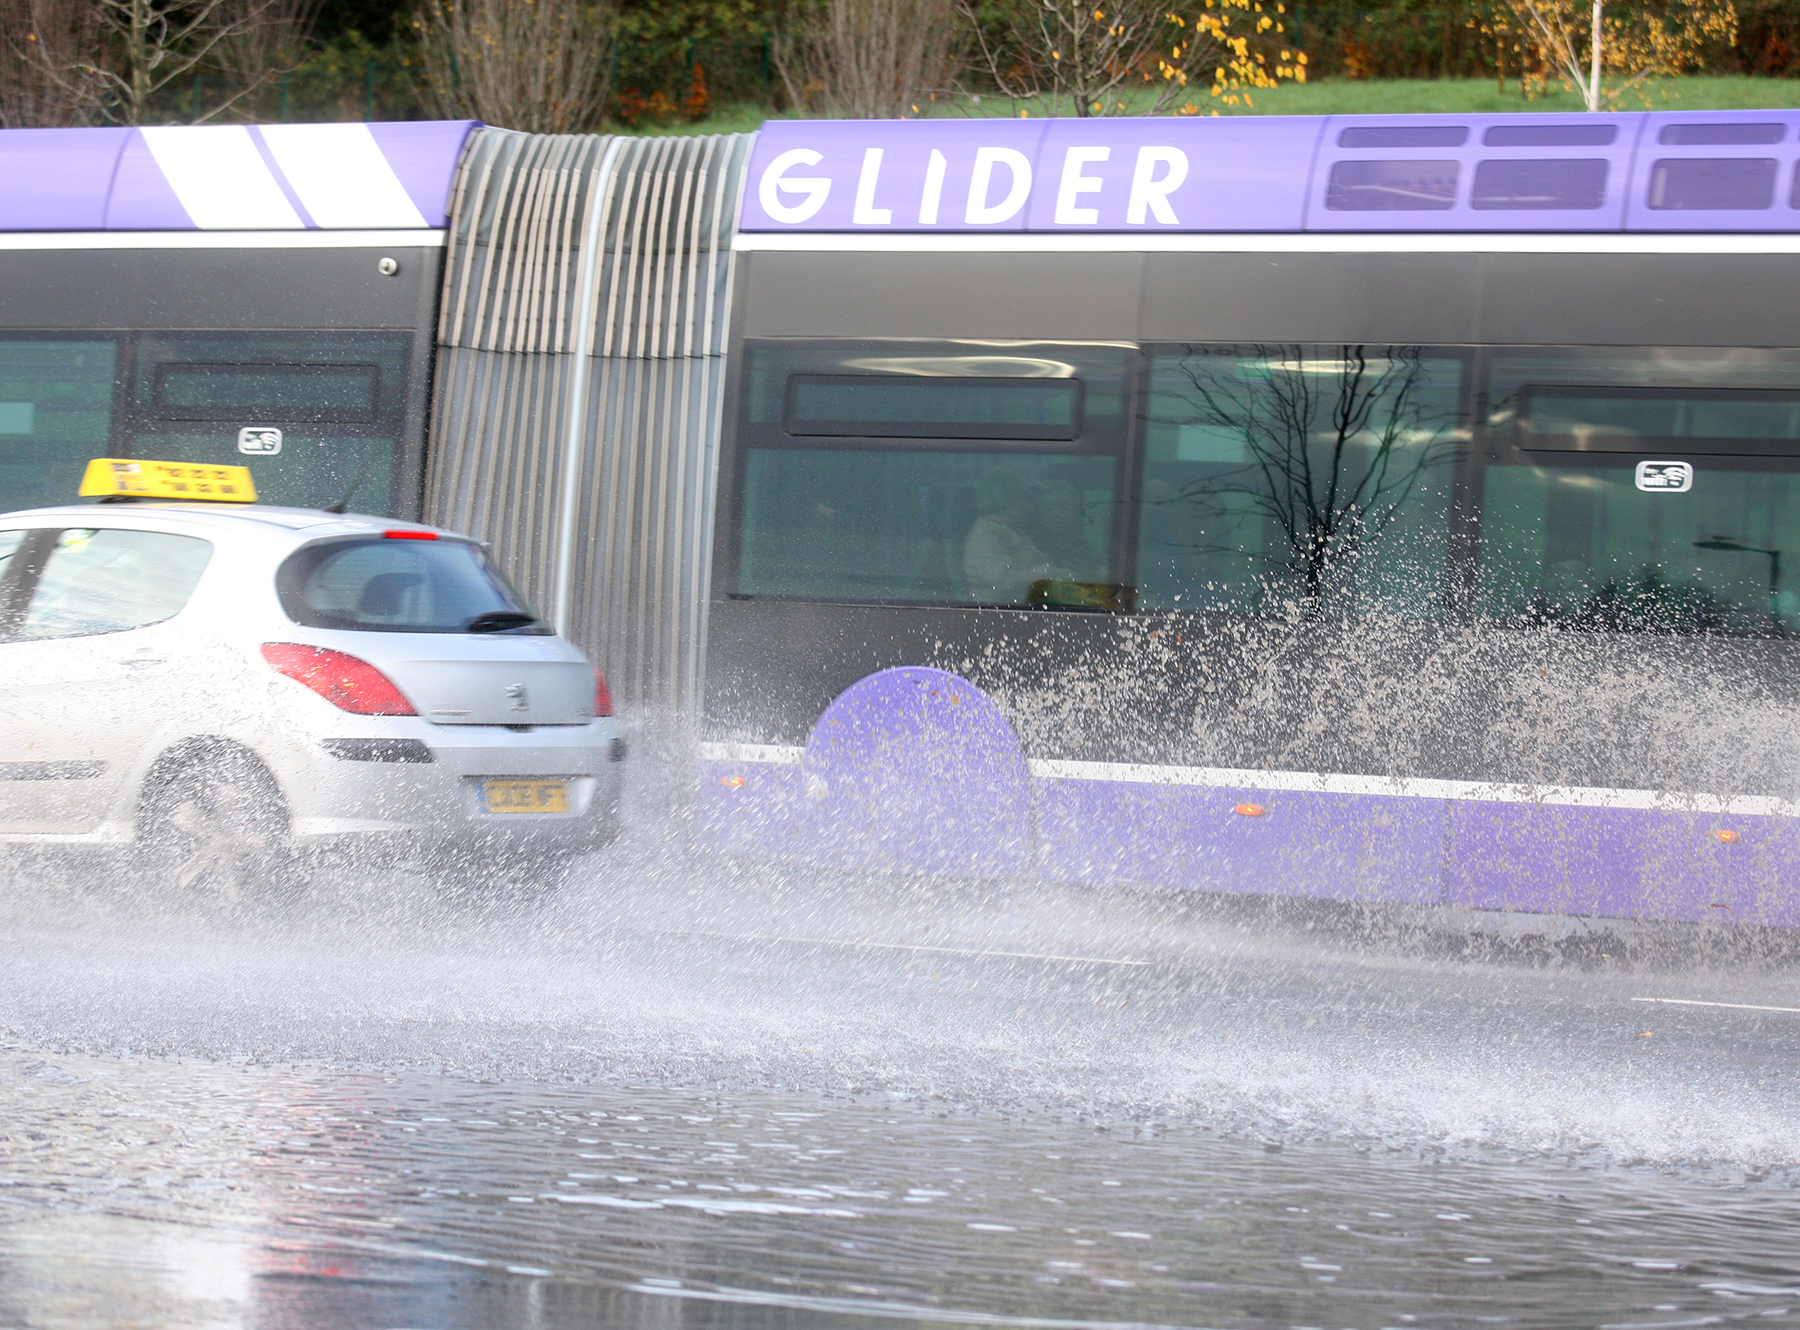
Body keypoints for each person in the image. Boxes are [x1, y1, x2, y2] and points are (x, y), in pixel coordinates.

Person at [962, 469, 1072, 604]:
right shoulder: (985, 535)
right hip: (998, 611)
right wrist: (1043, 574)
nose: (1030, 508)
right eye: (1023, 499)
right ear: (1004, 501)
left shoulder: (1013, 531)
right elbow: (1000, 581)